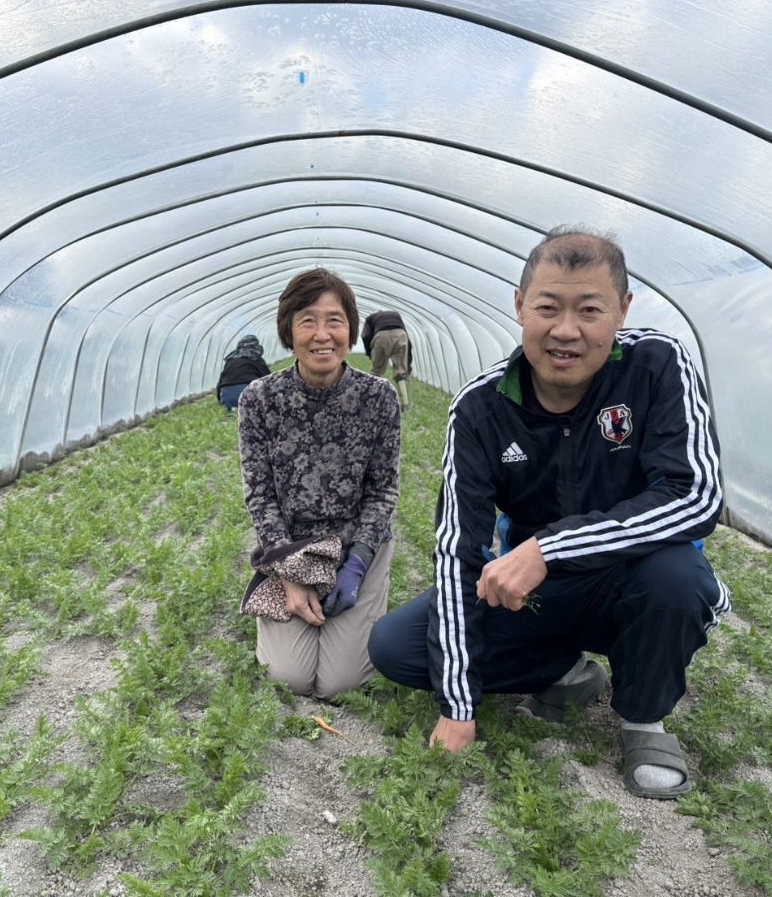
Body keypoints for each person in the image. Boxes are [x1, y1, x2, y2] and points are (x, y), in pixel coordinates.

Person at [368, 225, 729, 799]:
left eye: (590, 310)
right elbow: (458, 549)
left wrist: (546, 548)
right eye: (547, 307)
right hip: (540, 593)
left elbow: (696, 496)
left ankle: (643, 719)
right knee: (397, 647)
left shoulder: (657, 366)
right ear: (519, 306)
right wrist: (459, 706)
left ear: (622, 310)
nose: (566, 331)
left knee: (676, 577)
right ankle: (563, 671)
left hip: (630, 580)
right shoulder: (481, 410)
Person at [238, 268, 402, 699]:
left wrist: (357, 564)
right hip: (293, 546)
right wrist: (289, 573)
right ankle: (273, 586)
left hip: (356, 548)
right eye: (307, 320)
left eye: (335, 320)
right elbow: (260, 493)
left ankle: (366, 588)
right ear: (288, 332)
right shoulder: (259, 399)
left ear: (351, 332)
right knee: (290, 677)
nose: (322, 334)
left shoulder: (378, 398)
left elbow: (383, 490)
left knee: (339, 683)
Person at [362, 309, 413, 411]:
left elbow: (365, 335)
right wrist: (408, 363)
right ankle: (406, 404)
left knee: (376, 372)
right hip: (401, 335)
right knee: (401, 372)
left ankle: (372, 402)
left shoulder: (371, 318)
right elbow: (407, 339)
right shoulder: (396, 314)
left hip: (381, 336)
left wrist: (370, 353)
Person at [216, 334, 271, 411]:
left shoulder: (230, 360)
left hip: (226, 398)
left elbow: (220, 383)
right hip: (248, 396)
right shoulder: (256, 358)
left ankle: (232, 407)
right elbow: (269, 380)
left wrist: (221, 400)